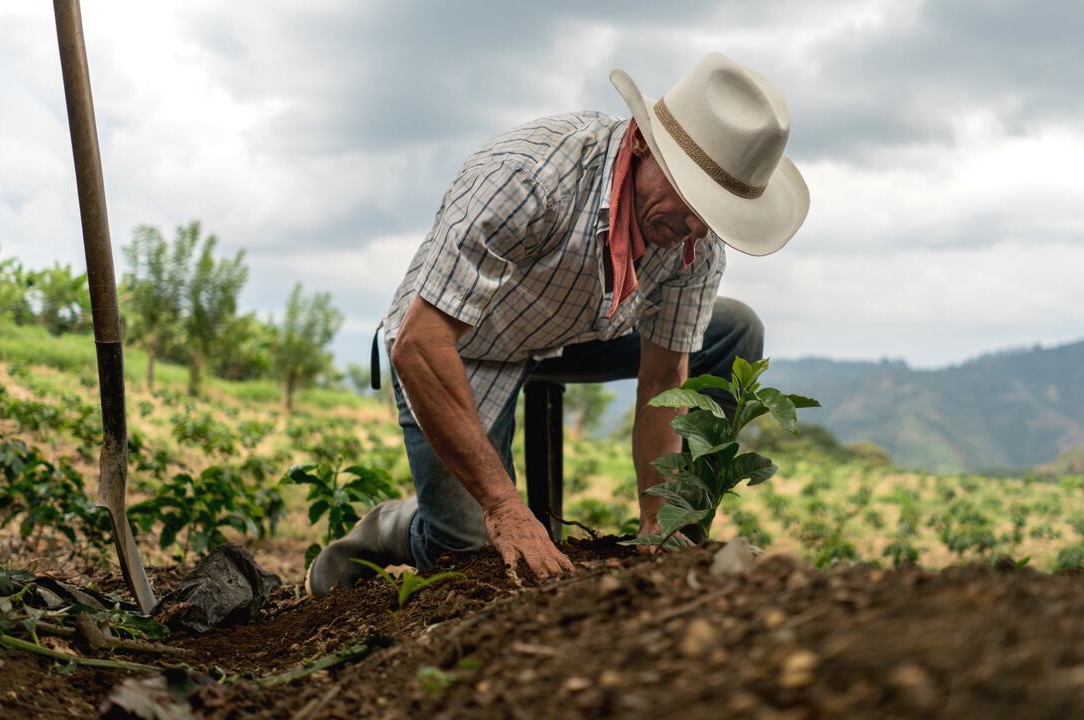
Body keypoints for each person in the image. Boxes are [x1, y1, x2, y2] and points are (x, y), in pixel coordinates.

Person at [306, 52, 810, 596]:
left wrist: (658, 522)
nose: (695, 228)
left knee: (735, 330)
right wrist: (504, 506)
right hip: (462, 343)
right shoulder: (528, 178)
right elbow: (420, 343)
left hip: (576, 332)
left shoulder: (694, 239)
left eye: (712, 214)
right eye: (691, 199)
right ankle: (390, 527)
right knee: (470, 549)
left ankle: (679, 539)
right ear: (642, 142)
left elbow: (666, 380)